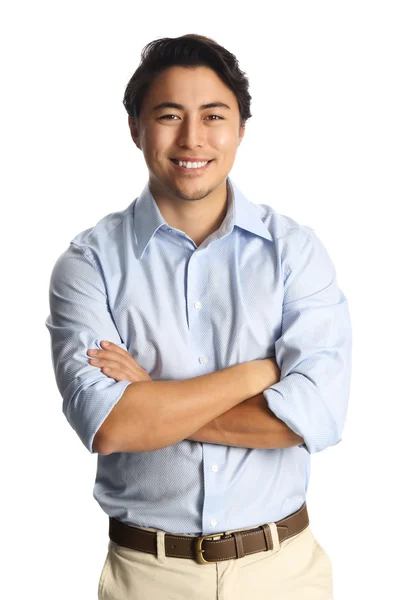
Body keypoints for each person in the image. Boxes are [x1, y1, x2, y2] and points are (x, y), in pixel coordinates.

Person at [45, 33, 352, 600]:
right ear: (136, 127)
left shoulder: (295, 253)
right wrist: (260, 374)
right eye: (168, 115)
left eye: (213, 115)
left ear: (240, 129)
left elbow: (316, 418)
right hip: (148, 574)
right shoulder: (88, 264)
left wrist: (154, 396)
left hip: (283, 572)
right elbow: (112, 428)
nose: (192, 138)